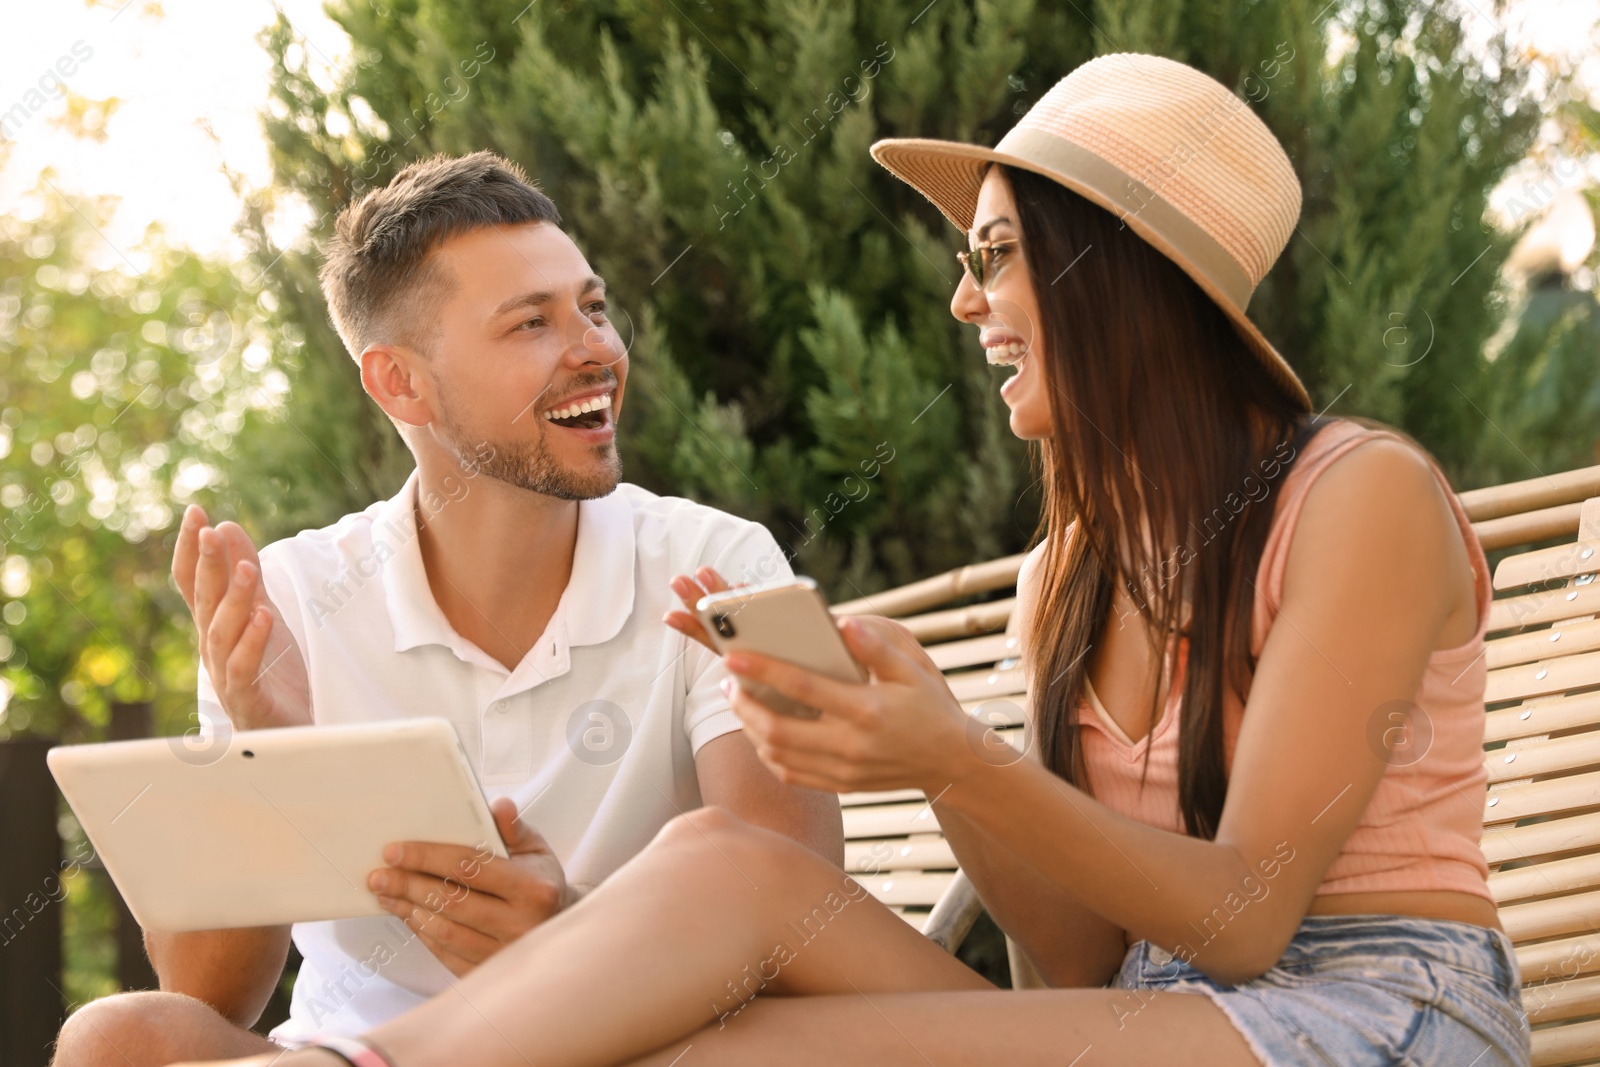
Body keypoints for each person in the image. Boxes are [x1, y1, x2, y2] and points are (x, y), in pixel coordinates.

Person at [104, 51, 1532, 1067]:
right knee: (727, 860)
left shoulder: (1363, 497)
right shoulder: (1070, 572)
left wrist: (957, 760)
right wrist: (929, 748)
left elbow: (1247, 914)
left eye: (996, 256)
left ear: (1119, 275)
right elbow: (1079, 966)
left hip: (1371, 1012)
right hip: (1157, 1008)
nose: (964, 298)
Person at [50, 152, 841, 1066]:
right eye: (531, 323)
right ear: (399, 382)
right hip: (353, 1053)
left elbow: (812, 924)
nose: (597, 347)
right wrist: (269, 756)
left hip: (636, 1046)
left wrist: (578, 939)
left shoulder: (735, 563)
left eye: (591, 306)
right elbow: (209, 996)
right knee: (116, 1034)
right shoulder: (287, 596)